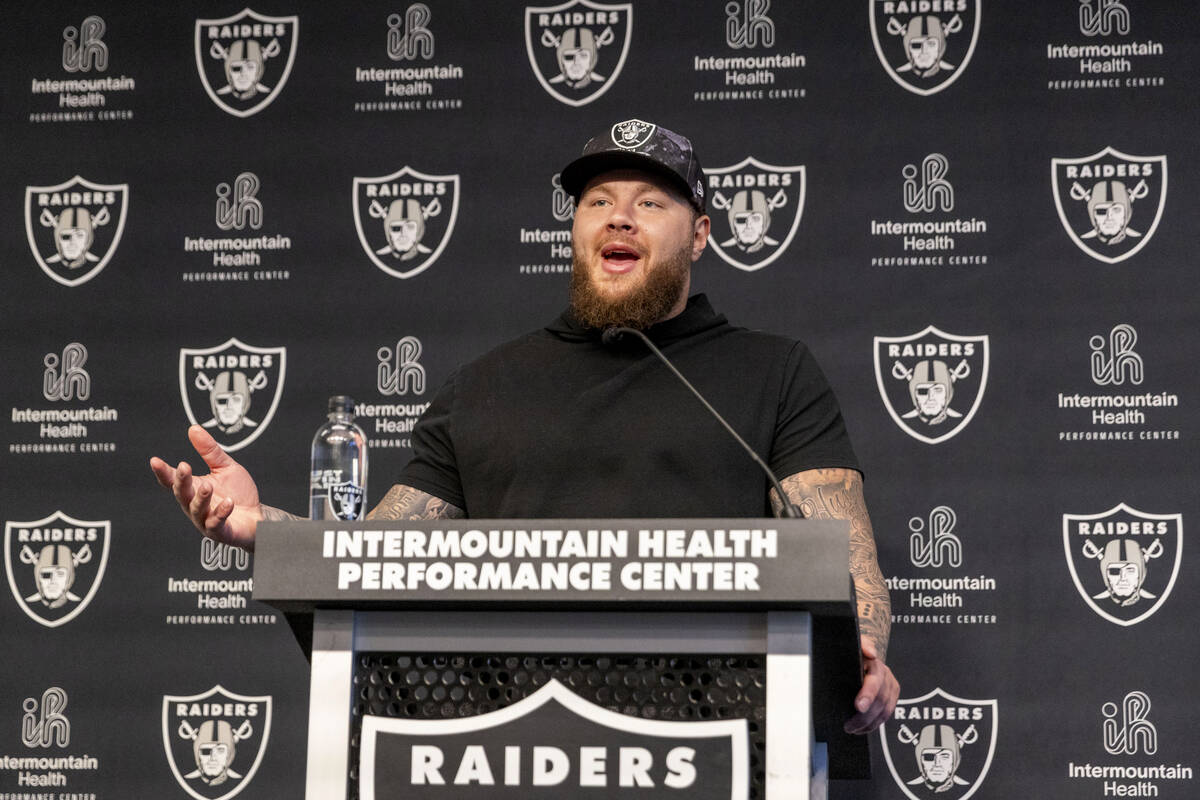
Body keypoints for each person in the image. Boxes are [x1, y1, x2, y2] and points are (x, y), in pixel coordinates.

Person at [150, 119, 899, 734]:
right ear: (575, 227)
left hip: (719, 742)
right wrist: (262, 527)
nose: (619, 217)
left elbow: (838, 538)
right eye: (598, 200)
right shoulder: (483, 387)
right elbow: (373, 560)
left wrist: (858, 653)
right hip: (512, 746)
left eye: (650, 203)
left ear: (699, 235)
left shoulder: (774, 372)